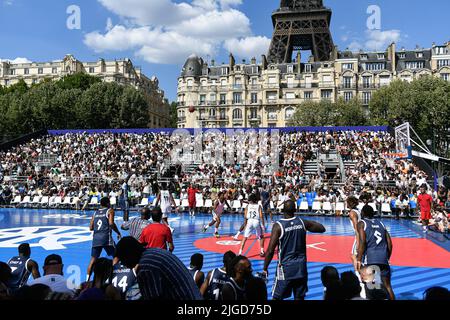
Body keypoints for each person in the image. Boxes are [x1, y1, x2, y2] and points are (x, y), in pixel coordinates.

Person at [263, 200, 326, 300]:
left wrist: (265, 268)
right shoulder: (302, 222)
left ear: (283, 210)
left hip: (285, 268)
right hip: (301, 267)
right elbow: (322, 228)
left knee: (277, 297)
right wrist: (307, 223)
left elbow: (270, 250)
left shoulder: (278, 226)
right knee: (299, 297)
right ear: (295, 210)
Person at [115, 237, 203, 300]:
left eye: (122, 259)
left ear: (129, 256)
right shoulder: (153, 253)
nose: (122, 264)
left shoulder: (146, 267)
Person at [356, 205, 395, 300]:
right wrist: (387, 257)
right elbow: (390, 244)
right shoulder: (381, 223)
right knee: (388, 286)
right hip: (383, 259)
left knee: (371, 288)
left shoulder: (361, 223)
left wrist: (359, 259)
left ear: (363, 213)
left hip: (370, 259)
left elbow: (362, 242)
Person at [87, 197, 122, 282]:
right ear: (107, 203)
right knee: (117, 256)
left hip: (96, 238)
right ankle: (113, 277)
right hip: (106, 238)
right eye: (109, 202)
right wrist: (118, 232)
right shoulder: (110, 211)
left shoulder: (95, 213)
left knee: (93, 260)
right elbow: (111, 223)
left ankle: (87, 280)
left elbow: (91, 228)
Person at [346, 196, 362, 272]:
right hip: (363, 233)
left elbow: (356, 228)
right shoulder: (358, 210)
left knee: (354, 256)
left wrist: (358, 242)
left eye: (347, 202)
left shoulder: (352, 213)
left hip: (359, 235)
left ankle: (358, 274)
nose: (346, 203)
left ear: (350, 203)